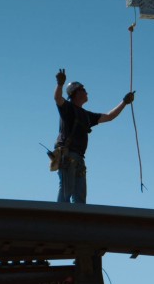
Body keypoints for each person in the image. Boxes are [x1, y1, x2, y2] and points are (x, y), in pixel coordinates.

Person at [53, 68, 134, 204]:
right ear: (76, 93)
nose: (87, 92)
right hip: (68, 155)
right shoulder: (67, 108)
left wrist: (124, 102)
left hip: (79, 158)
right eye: (83, 90)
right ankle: (58, 220)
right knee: (66, 191)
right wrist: (60, 84)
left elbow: (109, 116)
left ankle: (77, 221)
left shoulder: (86, 115)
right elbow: (57, 98)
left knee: (80, 197)